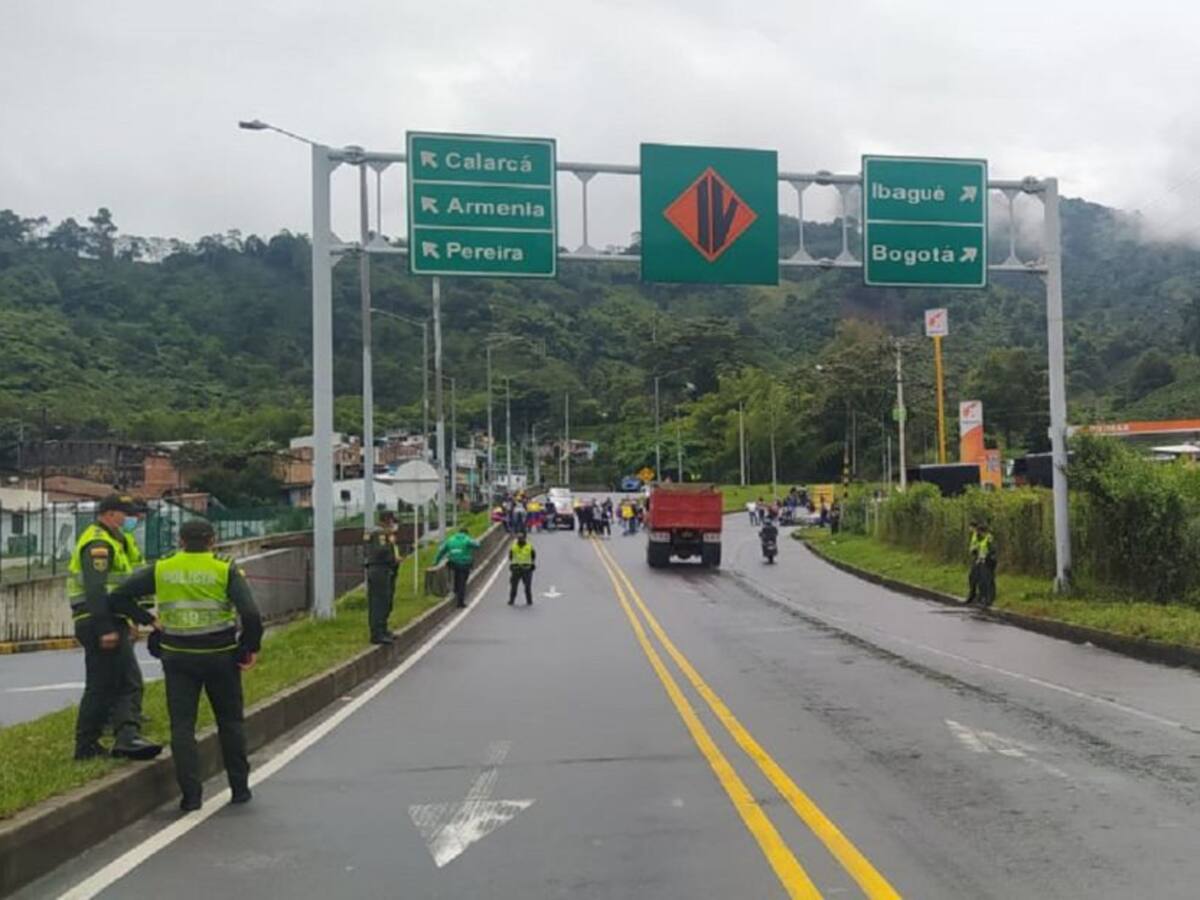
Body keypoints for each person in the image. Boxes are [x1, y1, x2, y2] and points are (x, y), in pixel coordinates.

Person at [110, 519, 262, 811]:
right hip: (221, 656)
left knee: (182, 727)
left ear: (180, 541)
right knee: (230, 722)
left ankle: (191, 797)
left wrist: (150, 621)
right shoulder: (224, 568)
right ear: (212, 540)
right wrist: (249, 648)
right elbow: (251, 614)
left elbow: (118, 596)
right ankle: (240, 789)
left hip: (178, 657)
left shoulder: (164, 568)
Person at [68, 493, 163, 761]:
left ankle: (93, 743)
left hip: (108, 619)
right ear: (109, 514)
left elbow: (117, 592)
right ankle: (122, 738)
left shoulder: (115, 541)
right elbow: (97, 591)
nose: (130, 518)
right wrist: (105, 628)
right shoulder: (98, 543)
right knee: (124, 684)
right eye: (125, 513)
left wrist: (134, 619)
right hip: (98, 619)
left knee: (108, 684)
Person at [364, 526, 397, 644]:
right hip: (379, 570)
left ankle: (382, 630)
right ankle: (377, 633)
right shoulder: (380, 534)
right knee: (379, 601)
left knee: (385, 601)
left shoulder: (375, 533)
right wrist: (390, 542)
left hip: (380, 569)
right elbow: (381, 551)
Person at [435, 526, 482, 607]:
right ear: (466, 533)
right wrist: (475, 541)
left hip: (453, 563)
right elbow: (477, 545)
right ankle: (460, 602)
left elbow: (441, 551)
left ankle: (456, 589)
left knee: (457, 576)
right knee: (462, 582)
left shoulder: (450, 540)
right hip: (465, 564)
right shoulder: (467, 539)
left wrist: (436, 562)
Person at [507, 531, 537, 606]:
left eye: (521, 538)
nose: (520, 539)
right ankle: (511, 600)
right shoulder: (513, 546)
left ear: (524, 538)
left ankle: (529, 601)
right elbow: (510, 556)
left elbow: (533, 556)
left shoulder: (529, 546)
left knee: (527, 586)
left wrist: (531, 563)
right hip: (516, 568)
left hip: (526, 569)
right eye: (518, 538)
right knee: (514, 586)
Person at [966, 522, 983, 605]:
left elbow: (981, 546)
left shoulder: (979, 535)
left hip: (979, 558)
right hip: (976, 557)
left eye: (970, 528)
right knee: (973, 577)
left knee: (974, 577)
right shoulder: (974, 535)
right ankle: (975, 595)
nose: (969, 529)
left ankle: (974, 596)